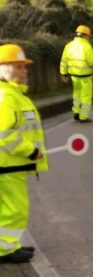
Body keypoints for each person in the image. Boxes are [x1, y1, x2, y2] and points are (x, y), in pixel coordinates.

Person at [0, 44, 48, 264]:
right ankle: (5, 251)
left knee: (11, 208)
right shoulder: (6, 97)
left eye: (24, 67)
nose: (24, 71)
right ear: (3, 69)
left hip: (12, 165)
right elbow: (3, 134)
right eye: (18, 67)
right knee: (14, 209)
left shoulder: (13, 94)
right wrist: (31, 151)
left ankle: (11, 246)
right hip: (8, 165)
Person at [60, 25, 93, 123]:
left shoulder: (69, 45)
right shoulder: (86, 46)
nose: (89, 38)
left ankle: (76, 113)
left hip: (74, 76)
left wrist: (63, 74)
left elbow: (64, 61)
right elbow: (92, 62)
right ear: (85, 35)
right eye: (89, 36)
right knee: (85, 96)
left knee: (76, 95)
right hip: (85, 76)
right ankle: (83, 116)